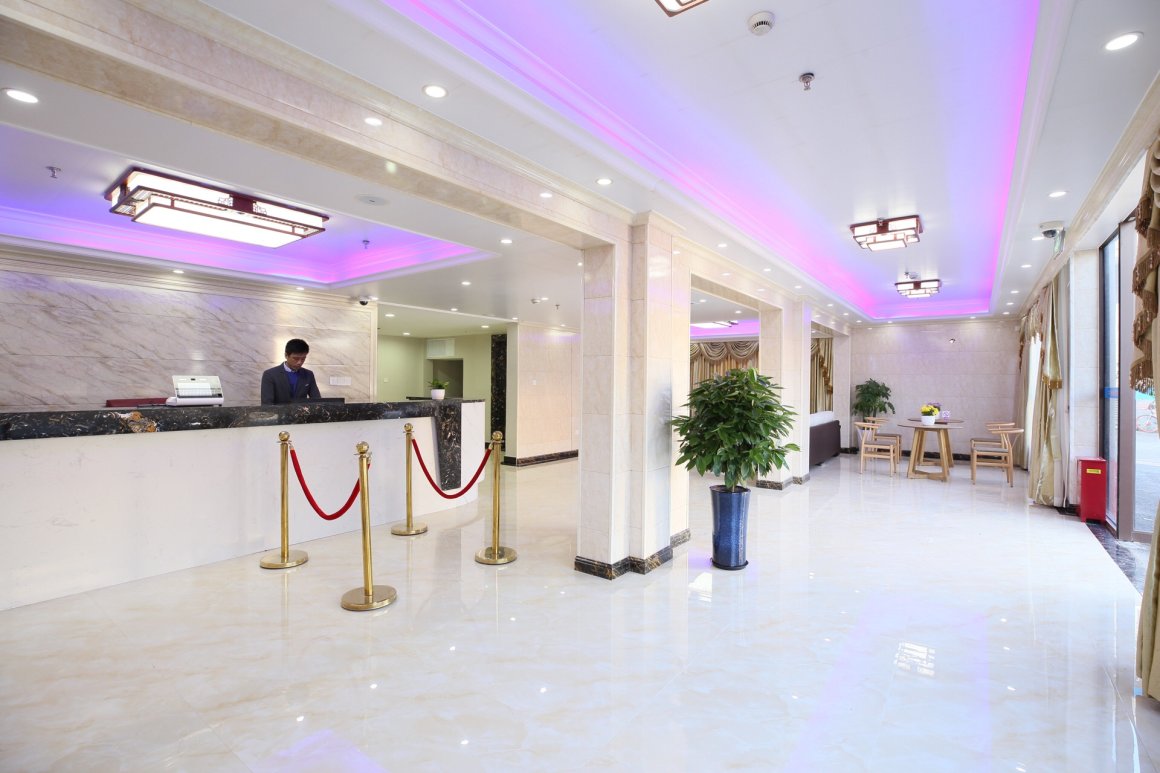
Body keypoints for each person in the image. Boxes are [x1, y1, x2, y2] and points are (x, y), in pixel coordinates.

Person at [260, 339, 322, 404]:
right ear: (286, 355)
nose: (299, 362)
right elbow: (267, 404)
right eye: (296, 358)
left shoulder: (308, 374)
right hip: (279, 411)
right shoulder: (270, 375)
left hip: (302, 410)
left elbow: (317, 400)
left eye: (303, 359)